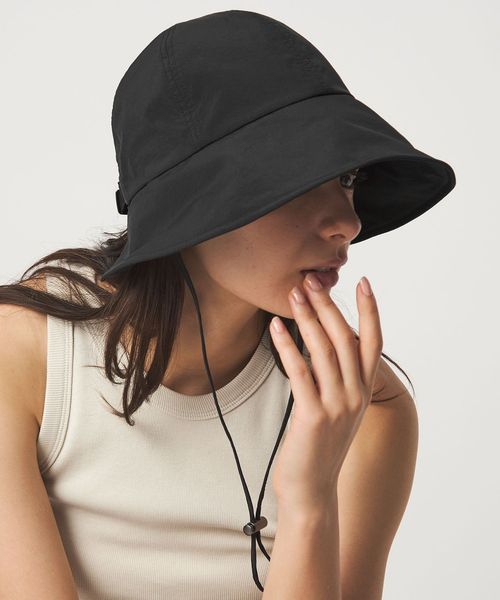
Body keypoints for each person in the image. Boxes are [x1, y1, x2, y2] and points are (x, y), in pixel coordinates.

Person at [0, 9, 454, 600]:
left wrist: (309, 500)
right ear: (193, 204)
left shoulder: (367, 410)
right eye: (299, 179)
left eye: (347, 178)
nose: (348, 222)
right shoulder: (25, 361)